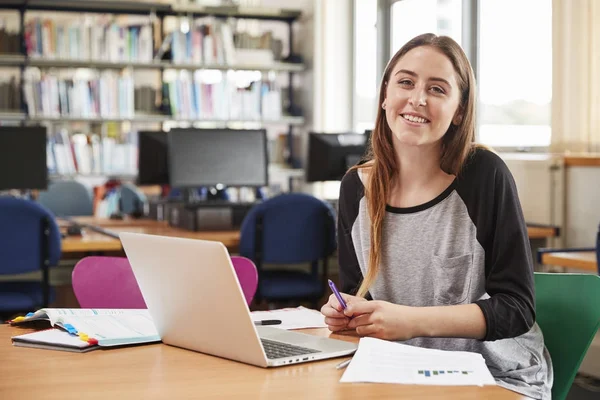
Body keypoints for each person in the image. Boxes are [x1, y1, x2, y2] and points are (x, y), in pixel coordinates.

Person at [321, 33, 553, 399]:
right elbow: (356, 292)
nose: (417, 98)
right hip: (397, 371)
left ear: (459, 110)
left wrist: (409, 321)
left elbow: (516, 309)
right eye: (406, 82)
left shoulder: (484, 175)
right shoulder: (356, 187)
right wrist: (347, 311)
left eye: (438, 89)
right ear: (385, 95)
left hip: (495, 378)